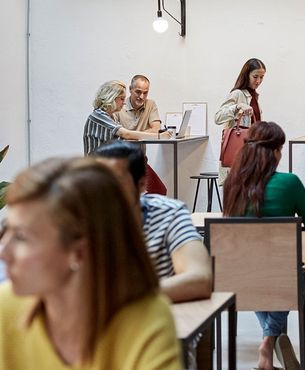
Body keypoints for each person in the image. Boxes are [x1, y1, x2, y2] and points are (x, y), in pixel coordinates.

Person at [0, 158, 181, 369]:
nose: (3, 252)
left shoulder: (143, 319)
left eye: (21, 237)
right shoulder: (7, 306)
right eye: (5, 230)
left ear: (79, 253)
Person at [222, 121, 305, 370]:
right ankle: (268, 342)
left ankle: (270, 339)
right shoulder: (289, 183)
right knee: (291, 274)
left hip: (238, 276)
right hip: (281, 275)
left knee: (259, 276)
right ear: (276, 152)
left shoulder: (231, 185)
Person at [94, 141, 212, 303]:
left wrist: (121, 298)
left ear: (142, 184)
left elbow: (200, 279)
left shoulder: (169, 214)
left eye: (115, 182)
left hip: (155, 319)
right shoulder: (84, 219)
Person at [83, 80, 172, 155]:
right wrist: (159, 136)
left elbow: (126, 138)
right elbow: (126, 134)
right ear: (112, 98)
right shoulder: (99, 115)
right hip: (97, 169)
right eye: (122, 99)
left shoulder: (111, 117)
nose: (124, 102)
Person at [214, 58, 266, 183]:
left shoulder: (254, 96)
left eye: (262, 77)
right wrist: (237, 107)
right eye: (255, 76)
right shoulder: (237, 94)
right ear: (246, 75)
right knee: (237, 197)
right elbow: (218, 117)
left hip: (253, 153)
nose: (258, 81)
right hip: (239, 154)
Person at [114, 74, 167, 195]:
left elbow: (156, 130)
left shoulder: (150, 104)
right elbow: (118, 135)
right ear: (130, 90)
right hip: (122, 162)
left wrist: (129, 134)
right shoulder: (119, 106)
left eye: (145, 93)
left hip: (140, 160)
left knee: (160, 190)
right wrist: (145, 133)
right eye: (138, 92)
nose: (141, 96)